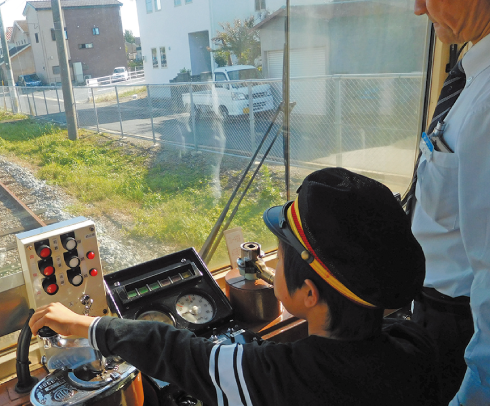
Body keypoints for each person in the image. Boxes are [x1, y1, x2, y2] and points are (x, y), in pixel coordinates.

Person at [30, 167, 439, 406]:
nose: (270, 267)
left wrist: (85, 325)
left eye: (280, 259)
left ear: (310, 294)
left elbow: (176, 351)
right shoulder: (414, 347)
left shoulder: (281, 378)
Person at [389, 0, 490, 403]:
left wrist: (477, 387)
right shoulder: (471, 74)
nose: (417, 7)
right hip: (433, 308)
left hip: (463, 326)